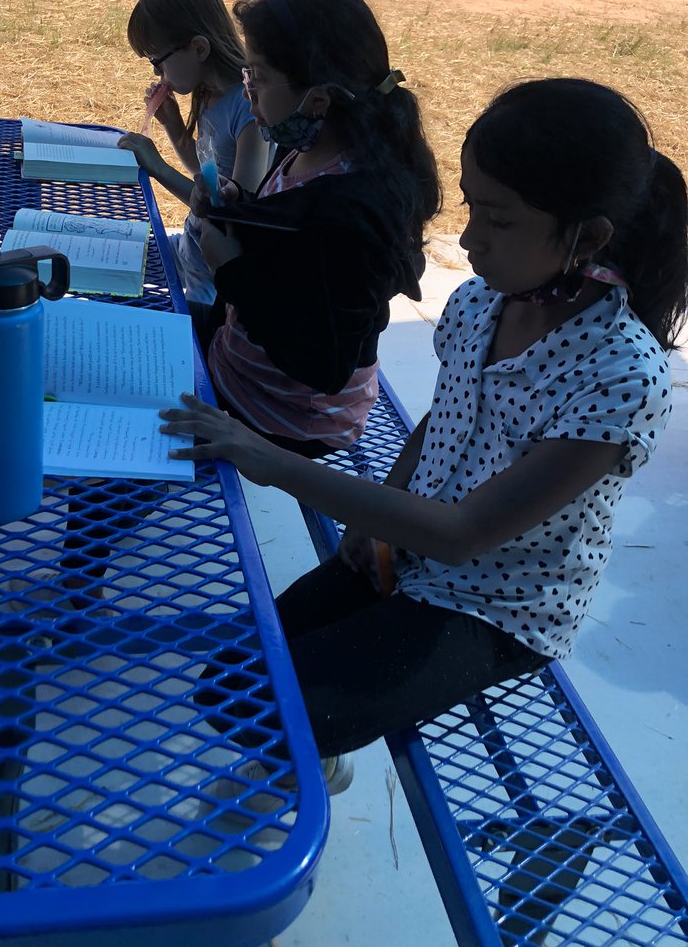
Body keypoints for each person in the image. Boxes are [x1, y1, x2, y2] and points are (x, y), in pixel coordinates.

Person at [160, 77, 688, 790]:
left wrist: (268, 458)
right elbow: (448, 418)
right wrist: (388, 501)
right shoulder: (479, 304)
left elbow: (465, 534)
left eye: (498, 220)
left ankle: (310, 759)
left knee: (265, 706)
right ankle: (316, 744)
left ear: (587, 236)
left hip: (496, 603)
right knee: (227, 680)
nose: (469, 239)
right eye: (472, 205)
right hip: (410, 546)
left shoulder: (623, 377)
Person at [189, 0, 442, 458]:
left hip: (285, 416)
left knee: (126, 428)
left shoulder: (354, 212)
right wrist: (242, 207)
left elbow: (325, 361)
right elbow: (292, 243)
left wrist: (230, 271)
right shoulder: (310, 147)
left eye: (258, 79)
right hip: (241, 365)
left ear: (319, 98)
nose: (248, 95)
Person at [118, 0, 271, 310]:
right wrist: (173, 124)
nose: (158, 75)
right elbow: (207, 172)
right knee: (111, 258)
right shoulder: (208, 91)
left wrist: (157, 167)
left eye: (158, 62)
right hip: (192, 248)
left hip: (214, 287)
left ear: (198, 47)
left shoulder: (250, 110)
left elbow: (234, 215)